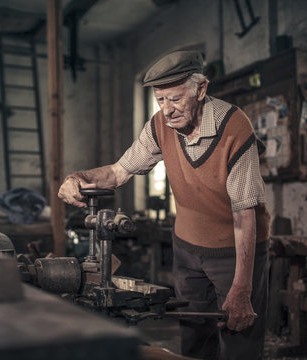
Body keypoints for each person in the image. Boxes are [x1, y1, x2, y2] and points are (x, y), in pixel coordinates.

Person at [58, 50, 270, 360]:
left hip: (234, 251)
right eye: (160, 100)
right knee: (195, 339)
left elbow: (243, 216)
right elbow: (119, 172)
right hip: (187, 247)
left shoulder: (235, 129)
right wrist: (77, 177)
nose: (166, 111)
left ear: (200, 89)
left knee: (239, 337)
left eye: (174, 99)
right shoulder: (160, 126)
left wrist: (241, 289)